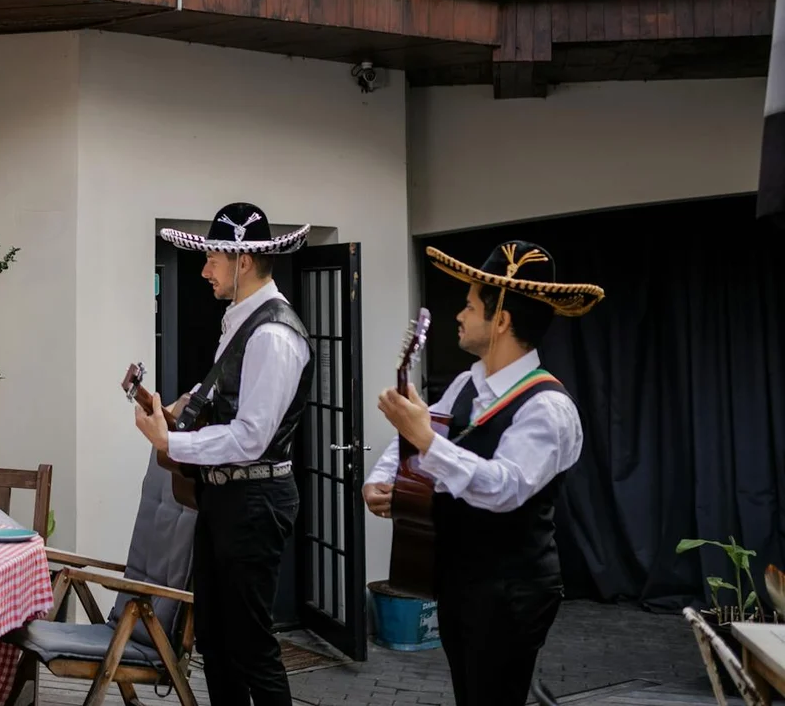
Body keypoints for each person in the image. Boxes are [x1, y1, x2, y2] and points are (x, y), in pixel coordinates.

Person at [363, 242, 604, 706]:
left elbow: (503, 487)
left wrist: (428, 442)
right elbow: (420, 429)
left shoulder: (548, 409)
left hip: (512, 590)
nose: (460, 314)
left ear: (501, 321)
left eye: (470, 306)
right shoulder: (465, 383)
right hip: (459, 578)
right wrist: (385, 475)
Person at [132, 203, 312, 706]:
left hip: (255, 498)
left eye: (213, 257)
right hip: (225, 498)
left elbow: (252, 435)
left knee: (251, 646)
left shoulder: (274, 335)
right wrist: (178, 408)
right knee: (214, 638)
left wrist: (171, 441)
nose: (205, 269)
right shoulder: (244, 321)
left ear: (243, 260)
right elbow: (224, 392)